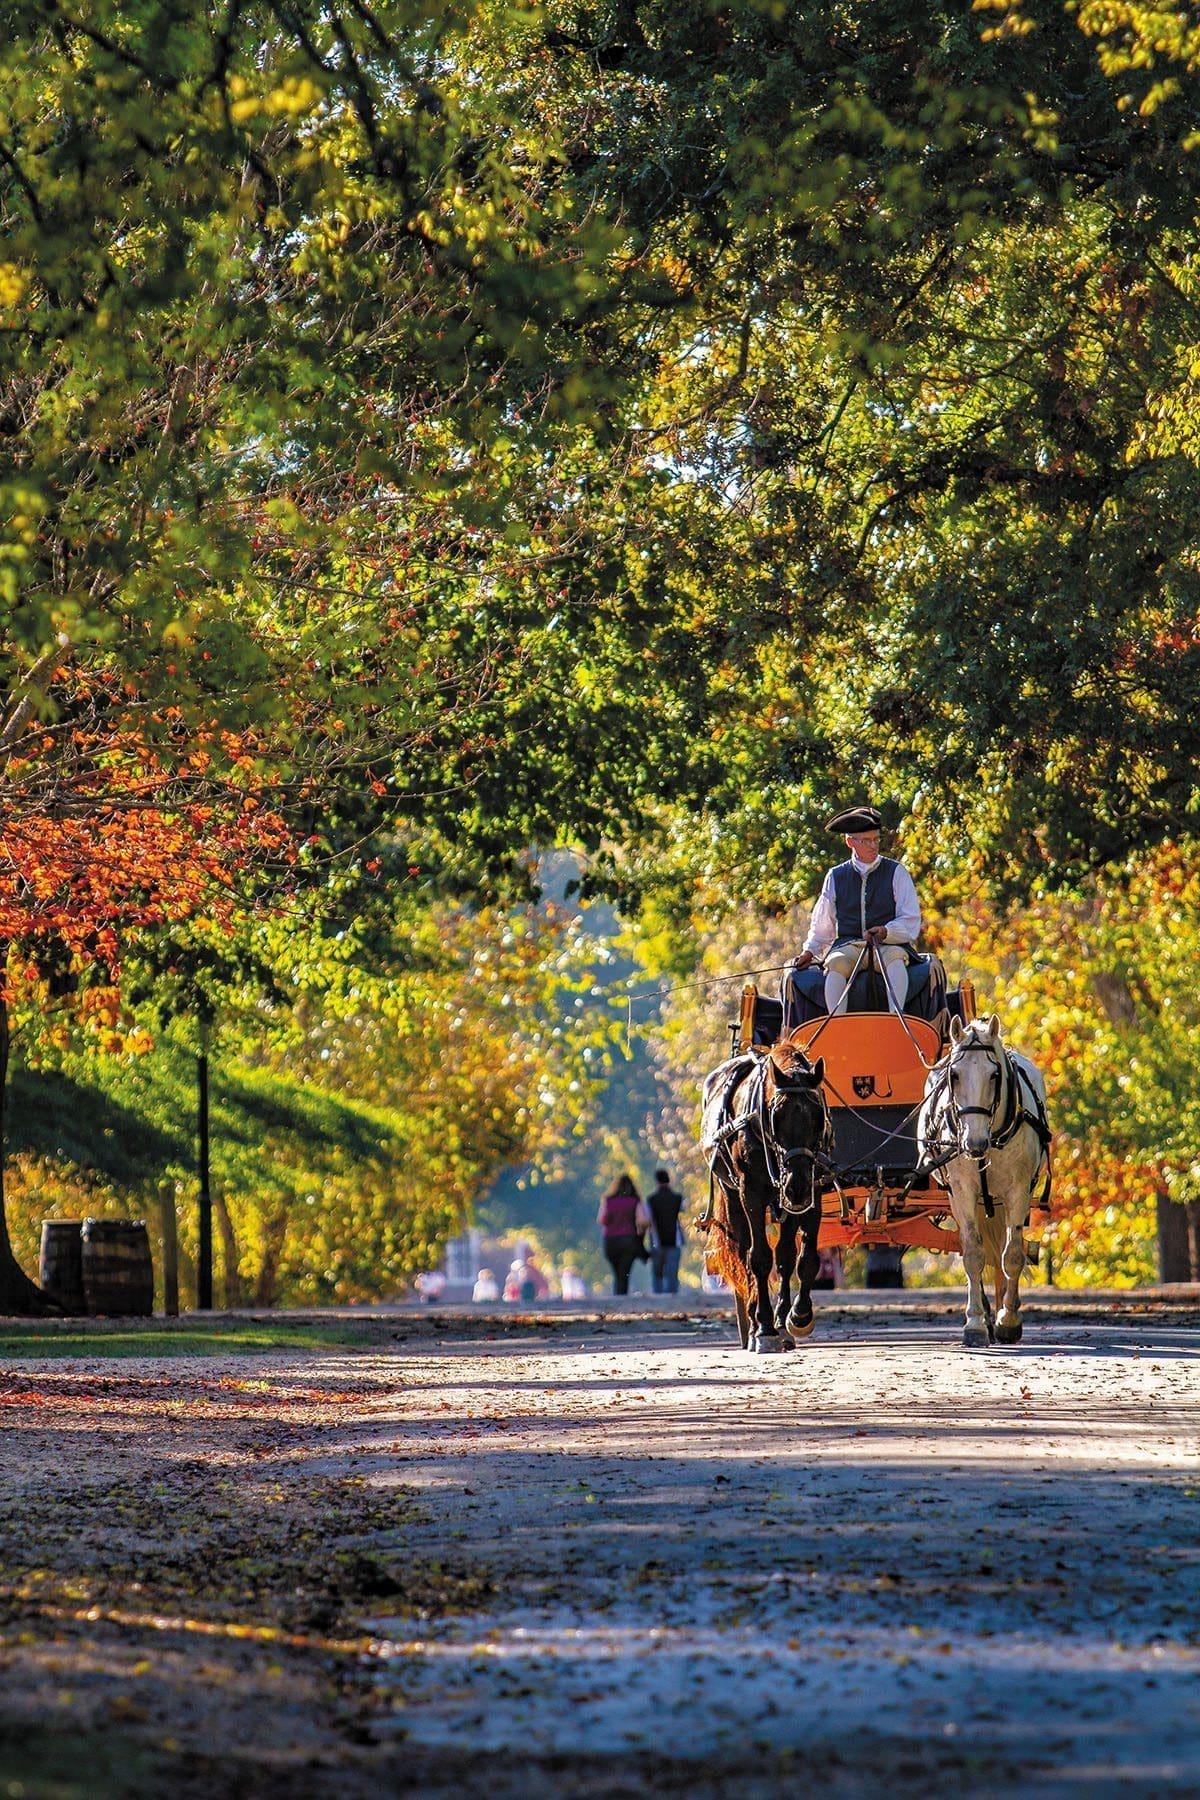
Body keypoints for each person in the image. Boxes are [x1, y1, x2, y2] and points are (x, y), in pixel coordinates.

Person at [790, 805, 922, 1015]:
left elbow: (911, 921)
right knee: (835, 964)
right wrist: (810, 951)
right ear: (850, 842)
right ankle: (836, 1026)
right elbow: (823, 925)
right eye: (866, 840)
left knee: (896, 961)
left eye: (876, 839)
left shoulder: (896, 872)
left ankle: (896, 1020)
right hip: (849, 946)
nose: (874, 846)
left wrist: (886, 932)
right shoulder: (835, 876)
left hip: (887, 946)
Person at [597, 1173, 649, 1296]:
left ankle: (619, 1295)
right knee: (624, 1271)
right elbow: (642, 1220)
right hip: (628, 1240)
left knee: (617, 1271)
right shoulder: (635, 1201)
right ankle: (622, 1295)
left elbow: (601, 1220)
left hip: (611, 1241)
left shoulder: (608, 1200)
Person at [646, 1169, 685, 1295]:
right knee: (672, 1271)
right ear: (669, 1180)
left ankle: (658, 1296)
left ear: (656, 1181)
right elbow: (682, 1211)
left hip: (657, 1240)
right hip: (675, 1240)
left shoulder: (651, 1199)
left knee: (658, 1272)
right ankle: (672, 1296)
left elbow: (648, 1219)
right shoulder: (677, 1198)